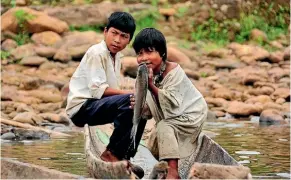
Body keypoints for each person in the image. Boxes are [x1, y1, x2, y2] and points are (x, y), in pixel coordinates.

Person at [65, 12, 144, 177]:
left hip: (96, 105)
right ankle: (111, 153)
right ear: (105, 31)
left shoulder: (116, 56)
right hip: (82, 108)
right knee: (131, 100)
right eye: (114, 33)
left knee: (143, 109)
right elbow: (98, 90)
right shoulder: (97, 53)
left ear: (129, 40)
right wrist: (130, 93)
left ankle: (124, 156)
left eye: (123, 36)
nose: (117, 40)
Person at [132, 28, 208, 179]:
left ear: (162, 54)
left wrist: (151, 86)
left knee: (164, 126)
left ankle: (173, 173)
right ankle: (165, 166)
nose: (144, 57)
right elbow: (144, 112)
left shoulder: (174, 72)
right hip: (170, 117)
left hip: (191, 115)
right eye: (140, 53)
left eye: (149, 51)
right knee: (153, 140)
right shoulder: (143, 74)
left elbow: (171, 106)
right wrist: (137, 105)